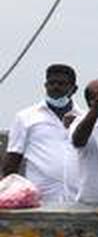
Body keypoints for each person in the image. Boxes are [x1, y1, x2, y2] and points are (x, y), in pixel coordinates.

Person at [2, 64, 83, 204]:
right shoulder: (26, 117)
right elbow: (12, 161)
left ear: (74, 89)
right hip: (40, 201)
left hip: (78, 200)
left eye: (62, 84)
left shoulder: (84, 119)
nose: (55, 87)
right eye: (51, 83)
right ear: (45, 86)